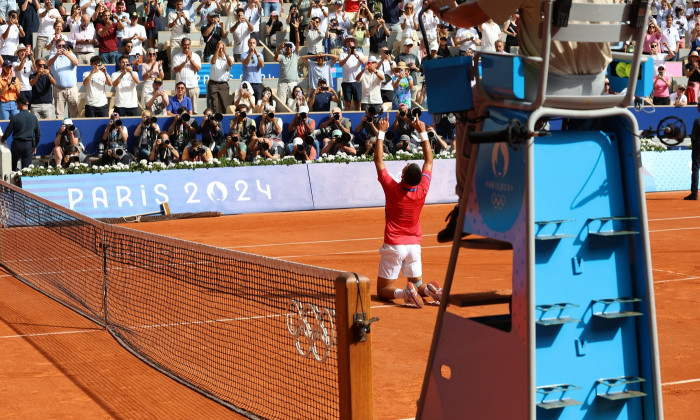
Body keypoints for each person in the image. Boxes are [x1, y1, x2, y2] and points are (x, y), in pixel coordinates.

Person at [428, 0, 614, 242]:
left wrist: (443, 11)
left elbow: (467, 18)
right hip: (595, 88)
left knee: (470, 103)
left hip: (542, 87)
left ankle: (466, 207)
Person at [373, 116, 442, 308]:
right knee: (418, 284)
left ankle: (404, 293)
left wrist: (380, 132)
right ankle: (430, 291)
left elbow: (378, 160)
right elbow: (429, 160)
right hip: (414, 245)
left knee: (382, 291)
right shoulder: (422, 189)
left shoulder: (392, 188)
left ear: (402, 176)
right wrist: (421, 131)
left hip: (394, 244)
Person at [1, 95, 40, 171]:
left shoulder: (15, 118)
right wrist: (35, 145)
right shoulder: (34, 117)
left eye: (17, 104)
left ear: (20, 104)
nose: (16, 106)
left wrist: (2, 139)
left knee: (12, 166)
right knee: (26, 169)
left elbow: (7, 132)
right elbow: (38, 134)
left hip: (17, 144)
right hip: (29, 145)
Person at [339, 36, 366, 110]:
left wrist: (356, 55)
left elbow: (363, 62)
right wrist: (348, 55)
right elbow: (340, 64)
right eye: (348, 41)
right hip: (346, 82)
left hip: (356, 81)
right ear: (346, 44)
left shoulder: (359, 53)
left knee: (357, 102)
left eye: (351, 41)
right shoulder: (343, 54)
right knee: (347, 102)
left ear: (354, 43)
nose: (350, 43)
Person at [208, 40, 233, 114]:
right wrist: (218, 49)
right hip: (213, 84)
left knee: (225, 105)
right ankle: (214, 122)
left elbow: (230, 64)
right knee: (214, 106)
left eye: (222, 48)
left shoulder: (229, 58)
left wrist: (225, 52)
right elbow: (213, 61)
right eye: (219, 48)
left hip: (224, 84)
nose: (221, 50)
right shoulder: (212, 56)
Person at [275, 40, 300, 109]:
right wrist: (278, 49)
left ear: (292, 48)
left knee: (293, 102)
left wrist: (296, 30)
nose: (288, 48)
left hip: (293, 82)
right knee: (281, 103)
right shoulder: (281, 56)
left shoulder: (295, 55)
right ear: (284, 48)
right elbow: (275, 58)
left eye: (290, 47)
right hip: (282, 83)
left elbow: (298, 42)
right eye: (287, 47)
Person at [241, 37, 264, 102]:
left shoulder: (260, 55)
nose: (252, 44)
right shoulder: (243, 54)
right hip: (246, 83)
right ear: (248, 44)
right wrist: (251, 53)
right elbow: (245, 63)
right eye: (250, 43)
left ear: (256, 44)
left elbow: (261, 65)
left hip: (257, 82)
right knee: (246, 101)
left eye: (253, 43)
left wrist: (257, 55)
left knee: (258, 102)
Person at [688, 104, 700, 200]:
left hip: (698, 147)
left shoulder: (697, 120)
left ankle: (694, 193)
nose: (697, 107)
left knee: (695, 169)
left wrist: (694, 145)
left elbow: (694, 137)